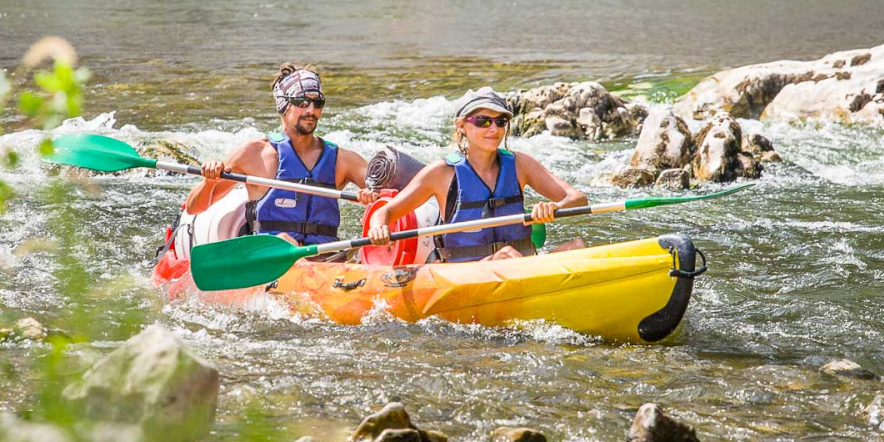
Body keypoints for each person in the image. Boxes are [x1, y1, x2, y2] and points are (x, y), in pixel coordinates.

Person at [366, 88, 586, 262]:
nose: (494, 129)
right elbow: (384, 214)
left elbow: (578, 198)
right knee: (506, 256)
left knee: (576, 246)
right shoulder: (441, 173)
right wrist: (378, 228)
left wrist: (555, 207)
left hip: (521, 265)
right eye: (483, 121)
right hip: (468, 273)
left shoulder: (520, 164)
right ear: (461, 126)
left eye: (501, 121)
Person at [180, 64, 380, 254]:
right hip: (269, 259)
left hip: (324, 258)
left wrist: (372, 198)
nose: (310, 110)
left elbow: (388, 197)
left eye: (317, 103)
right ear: (284, 105)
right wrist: (209, 181)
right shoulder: (253, 154)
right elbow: (195, 207)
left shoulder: (343, 160)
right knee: (285, 239)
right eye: (301, 102)